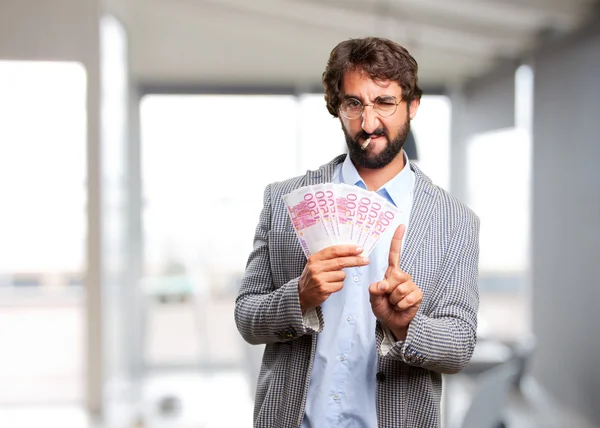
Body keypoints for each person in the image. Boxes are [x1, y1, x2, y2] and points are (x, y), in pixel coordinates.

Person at [234, 37, 480, 428]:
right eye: (354, 104)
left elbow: (460, 346)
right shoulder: (284, 200)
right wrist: (299, 297)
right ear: (337, 108)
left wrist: (406, 325)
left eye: (384, 102)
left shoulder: (455, 221)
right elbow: (247, 317)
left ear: (413, 105)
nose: (368, 124)